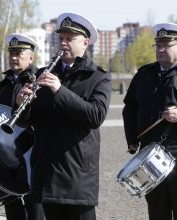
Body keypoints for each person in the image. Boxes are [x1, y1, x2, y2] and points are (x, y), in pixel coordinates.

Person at [14, 12, 111, 220]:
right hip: (48, 175)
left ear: (85, 42)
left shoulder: (98, 77)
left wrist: (59, 90)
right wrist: (23, 105)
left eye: (70, 38)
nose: (64, 43)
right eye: (61, 38)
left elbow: (95, 116)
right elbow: (28, 121)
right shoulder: (44, 73)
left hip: (78, 178)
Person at [122, 22, 177, 220]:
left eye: (166, 44)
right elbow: (130, 108)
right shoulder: (144, 74)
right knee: (157, 212)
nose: (160, 49)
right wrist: (133, 139)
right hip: (150, 156)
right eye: (158, 44)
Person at [0, 33, 45, 220]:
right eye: (11, 53)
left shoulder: (39, 81)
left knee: (36, 211)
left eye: (19, 53)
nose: (13, 57)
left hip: (32, 155)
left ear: (31, 57)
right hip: (7, 157)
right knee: (12, 210)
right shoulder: (2, 86)